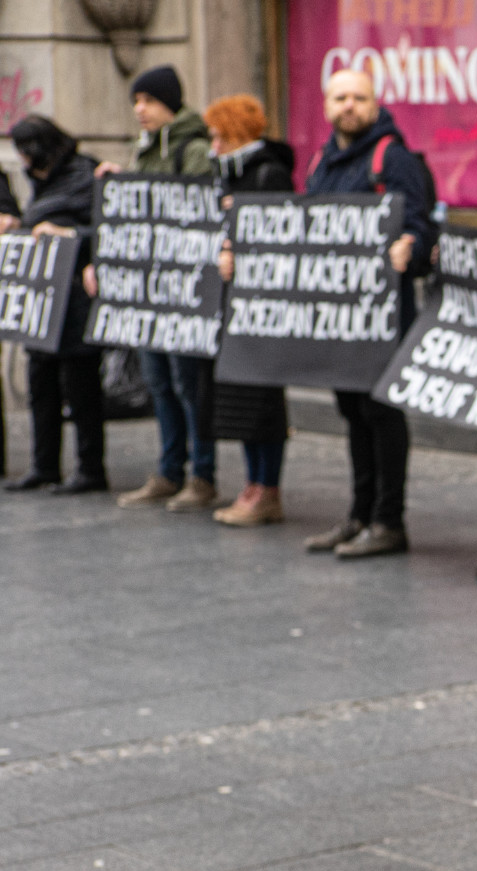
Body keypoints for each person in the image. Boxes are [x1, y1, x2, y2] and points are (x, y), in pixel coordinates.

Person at [301, 69, 437, 560]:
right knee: (352, 413)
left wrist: (412, 248)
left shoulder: (392, 157)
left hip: (382, 316)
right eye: (340, 98)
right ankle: (359, 514)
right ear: (326, 104)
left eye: (358, 97)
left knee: (380, 413)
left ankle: (388, 520)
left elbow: (421, 224)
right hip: (339, 316)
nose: (349, 106)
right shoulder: (321, 161)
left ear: (375, 103)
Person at [106, 66, 222, 514]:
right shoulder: (146, 150)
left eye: (149, 101)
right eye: (136, 101)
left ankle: (202, 473)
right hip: (152, 292)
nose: (140, 110)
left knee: (186, 382)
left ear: (169, 104)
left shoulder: (191, 149)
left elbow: (196, 208)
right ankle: (170, 469)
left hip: (183, 292)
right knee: (158, 381)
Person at [204, 94, 295, 527]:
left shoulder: (267, 174)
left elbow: (280, 237)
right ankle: (252, 484)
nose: (214, 145)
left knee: (263, 401)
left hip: (264, 305)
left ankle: (267, 486)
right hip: (235, 304)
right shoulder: (227, 176)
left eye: (220, 136)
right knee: (239, 398)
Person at [2, 117, 107, 495]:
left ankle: (90, 467)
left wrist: (68, 235)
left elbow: (108, 229)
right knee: (40, 386)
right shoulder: (42, 183)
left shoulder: (86, 175)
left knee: (81, 389)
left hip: (75, 299)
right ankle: (45, 465)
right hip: (41, 304)